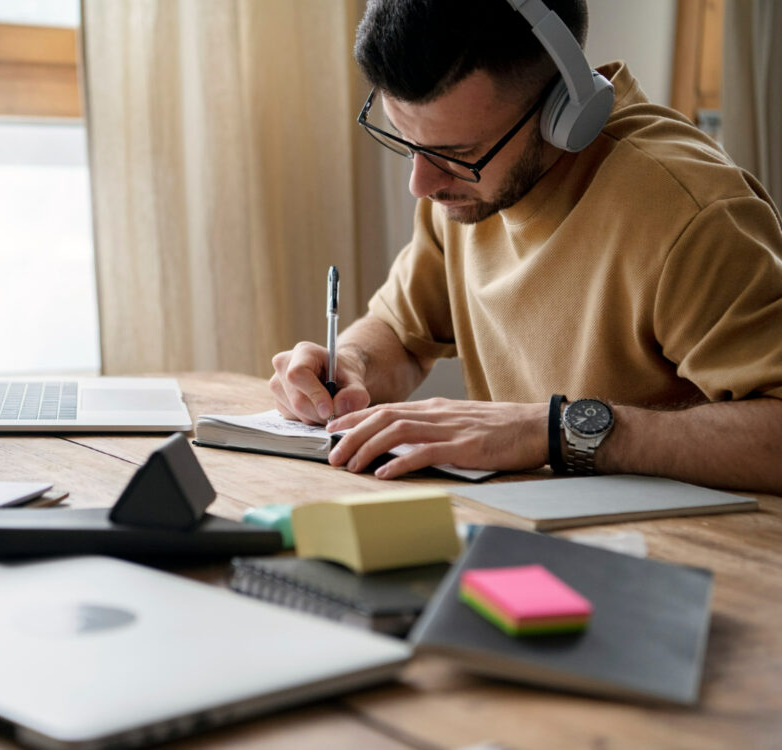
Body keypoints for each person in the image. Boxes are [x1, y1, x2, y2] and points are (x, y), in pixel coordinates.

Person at [268, 0, 782, 492]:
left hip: (697, 558)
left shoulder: (690, 214)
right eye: (409, 143)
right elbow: (402, 336)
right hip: (525, 531)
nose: (420, 185)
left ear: (565, 111)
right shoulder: (464, 190)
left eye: (457, 153)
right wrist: (350, 365)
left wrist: (553, 430)